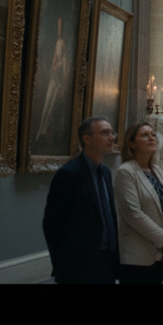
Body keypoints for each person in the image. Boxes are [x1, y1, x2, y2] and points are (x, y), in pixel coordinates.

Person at [42, 116, 119, 284]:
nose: (112, 138)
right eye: (105, 133)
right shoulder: (69, 174)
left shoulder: (105, 172)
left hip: (106, 261)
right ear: (87, 139)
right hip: (78, 264)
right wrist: (62, 262)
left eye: (112, 133)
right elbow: (52, 223)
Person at [113, 122, 163, 284]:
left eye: (152, 134)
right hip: (138, 255)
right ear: (132, 144)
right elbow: (134, 215)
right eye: (144, 135)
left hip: (161, 254)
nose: (151, 138)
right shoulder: (126, 172)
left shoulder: (156, 170)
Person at [36, 17, 68, 142]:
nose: (59, 27)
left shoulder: (63, 42)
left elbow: (64, 61)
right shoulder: (57, 41)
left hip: (59, 80)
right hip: (53, 77)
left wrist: (64, 84)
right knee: (46, 106)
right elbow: (55, 59)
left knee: (51, 107)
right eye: (58, 24)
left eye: (60, 24)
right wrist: (53, 66)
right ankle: (40, 133)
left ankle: (45, 133)